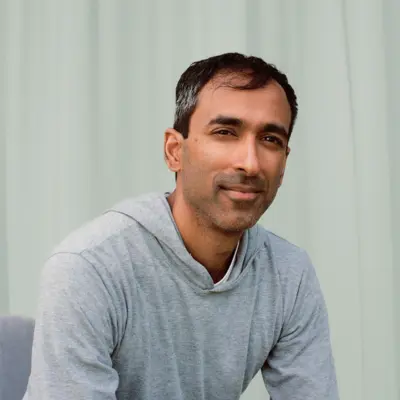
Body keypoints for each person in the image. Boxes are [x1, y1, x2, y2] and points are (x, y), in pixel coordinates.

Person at [24, 52, 339, 400]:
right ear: (175, 150)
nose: (250, 163)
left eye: (270, 140)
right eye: (225, 132)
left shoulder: (289, 275)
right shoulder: (89, 268)